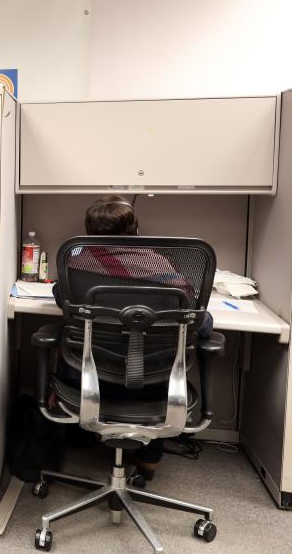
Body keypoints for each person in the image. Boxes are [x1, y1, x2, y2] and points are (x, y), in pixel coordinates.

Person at [55, 195, 213, 480]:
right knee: (165, 358)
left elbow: (61, 298)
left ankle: (80, 439)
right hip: (152, 388)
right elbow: (200, 325)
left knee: (64, 341)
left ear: (89, 234)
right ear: (135, 231)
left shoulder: (75, 265)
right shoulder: (159, 267)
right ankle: (149, 458)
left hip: (92, 382)